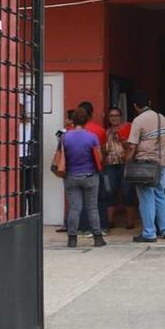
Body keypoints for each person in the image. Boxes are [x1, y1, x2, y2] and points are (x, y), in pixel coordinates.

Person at [126, 92, 165, 243]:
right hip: (160, 163)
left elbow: (132, 145)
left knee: (146, 197)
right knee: (160, 195)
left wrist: (127, 161)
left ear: (135, 106)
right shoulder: (162, 118)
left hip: (145, 165)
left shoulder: (138, 120)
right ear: (149, 102)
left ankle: (149, 232)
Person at [62, 107, 106, 249]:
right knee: (92, 208)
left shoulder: (65, 137)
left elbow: (60, 156)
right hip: (90, 176)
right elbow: (99, 158)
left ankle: (72, 238)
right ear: (87, 120)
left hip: (71, 176)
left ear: (73, 121)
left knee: (75, 208)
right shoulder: (92, 137)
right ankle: (98, 238)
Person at [102, 107, 136, 230]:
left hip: (125, 164)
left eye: (116, 115)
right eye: (111, 116)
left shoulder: (128, 128)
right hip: (110, 165)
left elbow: (133, 146)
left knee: (128, 192)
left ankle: (130, 221)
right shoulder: (106, 132)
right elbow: (102, 150)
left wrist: (124, 142)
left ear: (121, 117)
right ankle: (110, 221)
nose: (114, 118)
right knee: (109, 191)